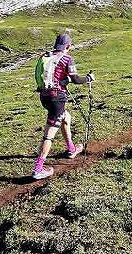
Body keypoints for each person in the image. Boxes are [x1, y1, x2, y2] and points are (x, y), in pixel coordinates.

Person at [32, 32, 95, 180]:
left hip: (45, 97)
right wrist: (89, 78)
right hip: (57, 99)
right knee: (49, 135)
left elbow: (55, 77)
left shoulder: (45, 56)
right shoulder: (67, 58)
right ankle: (37, 169)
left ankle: (72, 149)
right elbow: (77, 79)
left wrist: (63, 81)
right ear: (68, 46)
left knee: (66, 118)